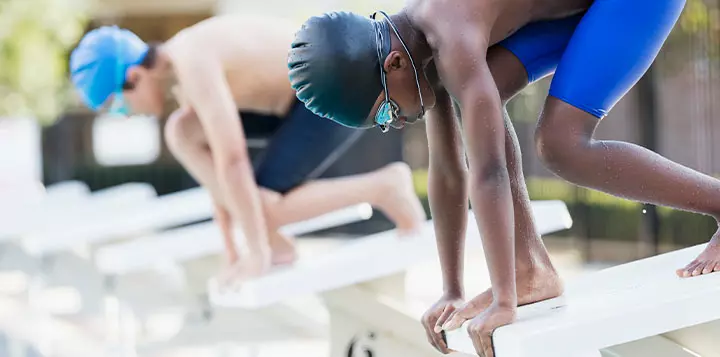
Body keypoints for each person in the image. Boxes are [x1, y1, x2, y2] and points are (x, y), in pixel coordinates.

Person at [285, 0, 709, 355]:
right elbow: (448, 172)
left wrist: (504, 300)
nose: (394, 124)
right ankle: (531, 271)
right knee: (474, 95)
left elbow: (488, 173)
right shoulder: (416, 46)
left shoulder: (451, 35)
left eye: (384, 111)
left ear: (393, 63)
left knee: (559, 143)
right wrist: (451, 288)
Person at [69, 14, 426, 284]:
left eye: (118, 106)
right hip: (292, 104)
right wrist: (233, 251)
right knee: (182, 132)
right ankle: (275, 243)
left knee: (261, 208)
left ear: (133, 77)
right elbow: (220, 182)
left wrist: (255, 254)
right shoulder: (183, 74)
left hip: (334, 92)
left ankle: (385, 187)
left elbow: (233, 161)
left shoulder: (192, 61)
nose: (127, 116)